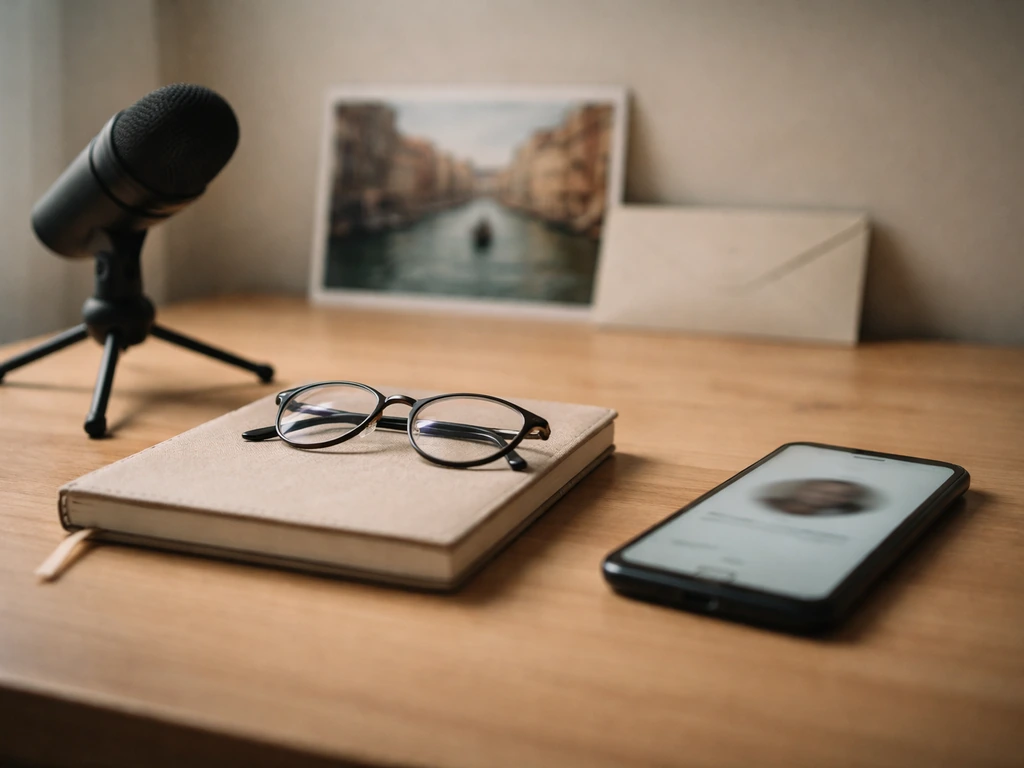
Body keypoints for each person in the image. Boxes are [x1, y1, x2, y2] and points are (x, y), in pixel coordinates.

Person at [761, 479, 869, 516]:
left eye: (842, 495)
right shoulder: (768, 503)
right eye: (822, 492)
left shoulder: (841, 515)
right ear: (800, 489)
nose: (827, 498)